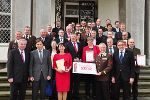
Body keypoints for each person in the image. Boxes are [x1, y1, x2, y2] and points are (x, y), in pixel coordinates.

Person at [65, 33, 82, 100]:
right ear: (70, 37)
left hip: (78, 66)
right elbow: (66, 55)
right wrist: (72, 59)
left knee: (77, 82)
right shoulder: (67, 44)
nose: (73, 38)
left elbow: (80, 53)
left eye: (74, 36)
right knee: (71, 81)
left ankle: (76, 95)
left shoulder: (80, 44)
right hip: (71, 66)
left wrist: (80, 59)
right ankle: (69, 96)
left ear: (76, 37)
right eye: (72, 36)